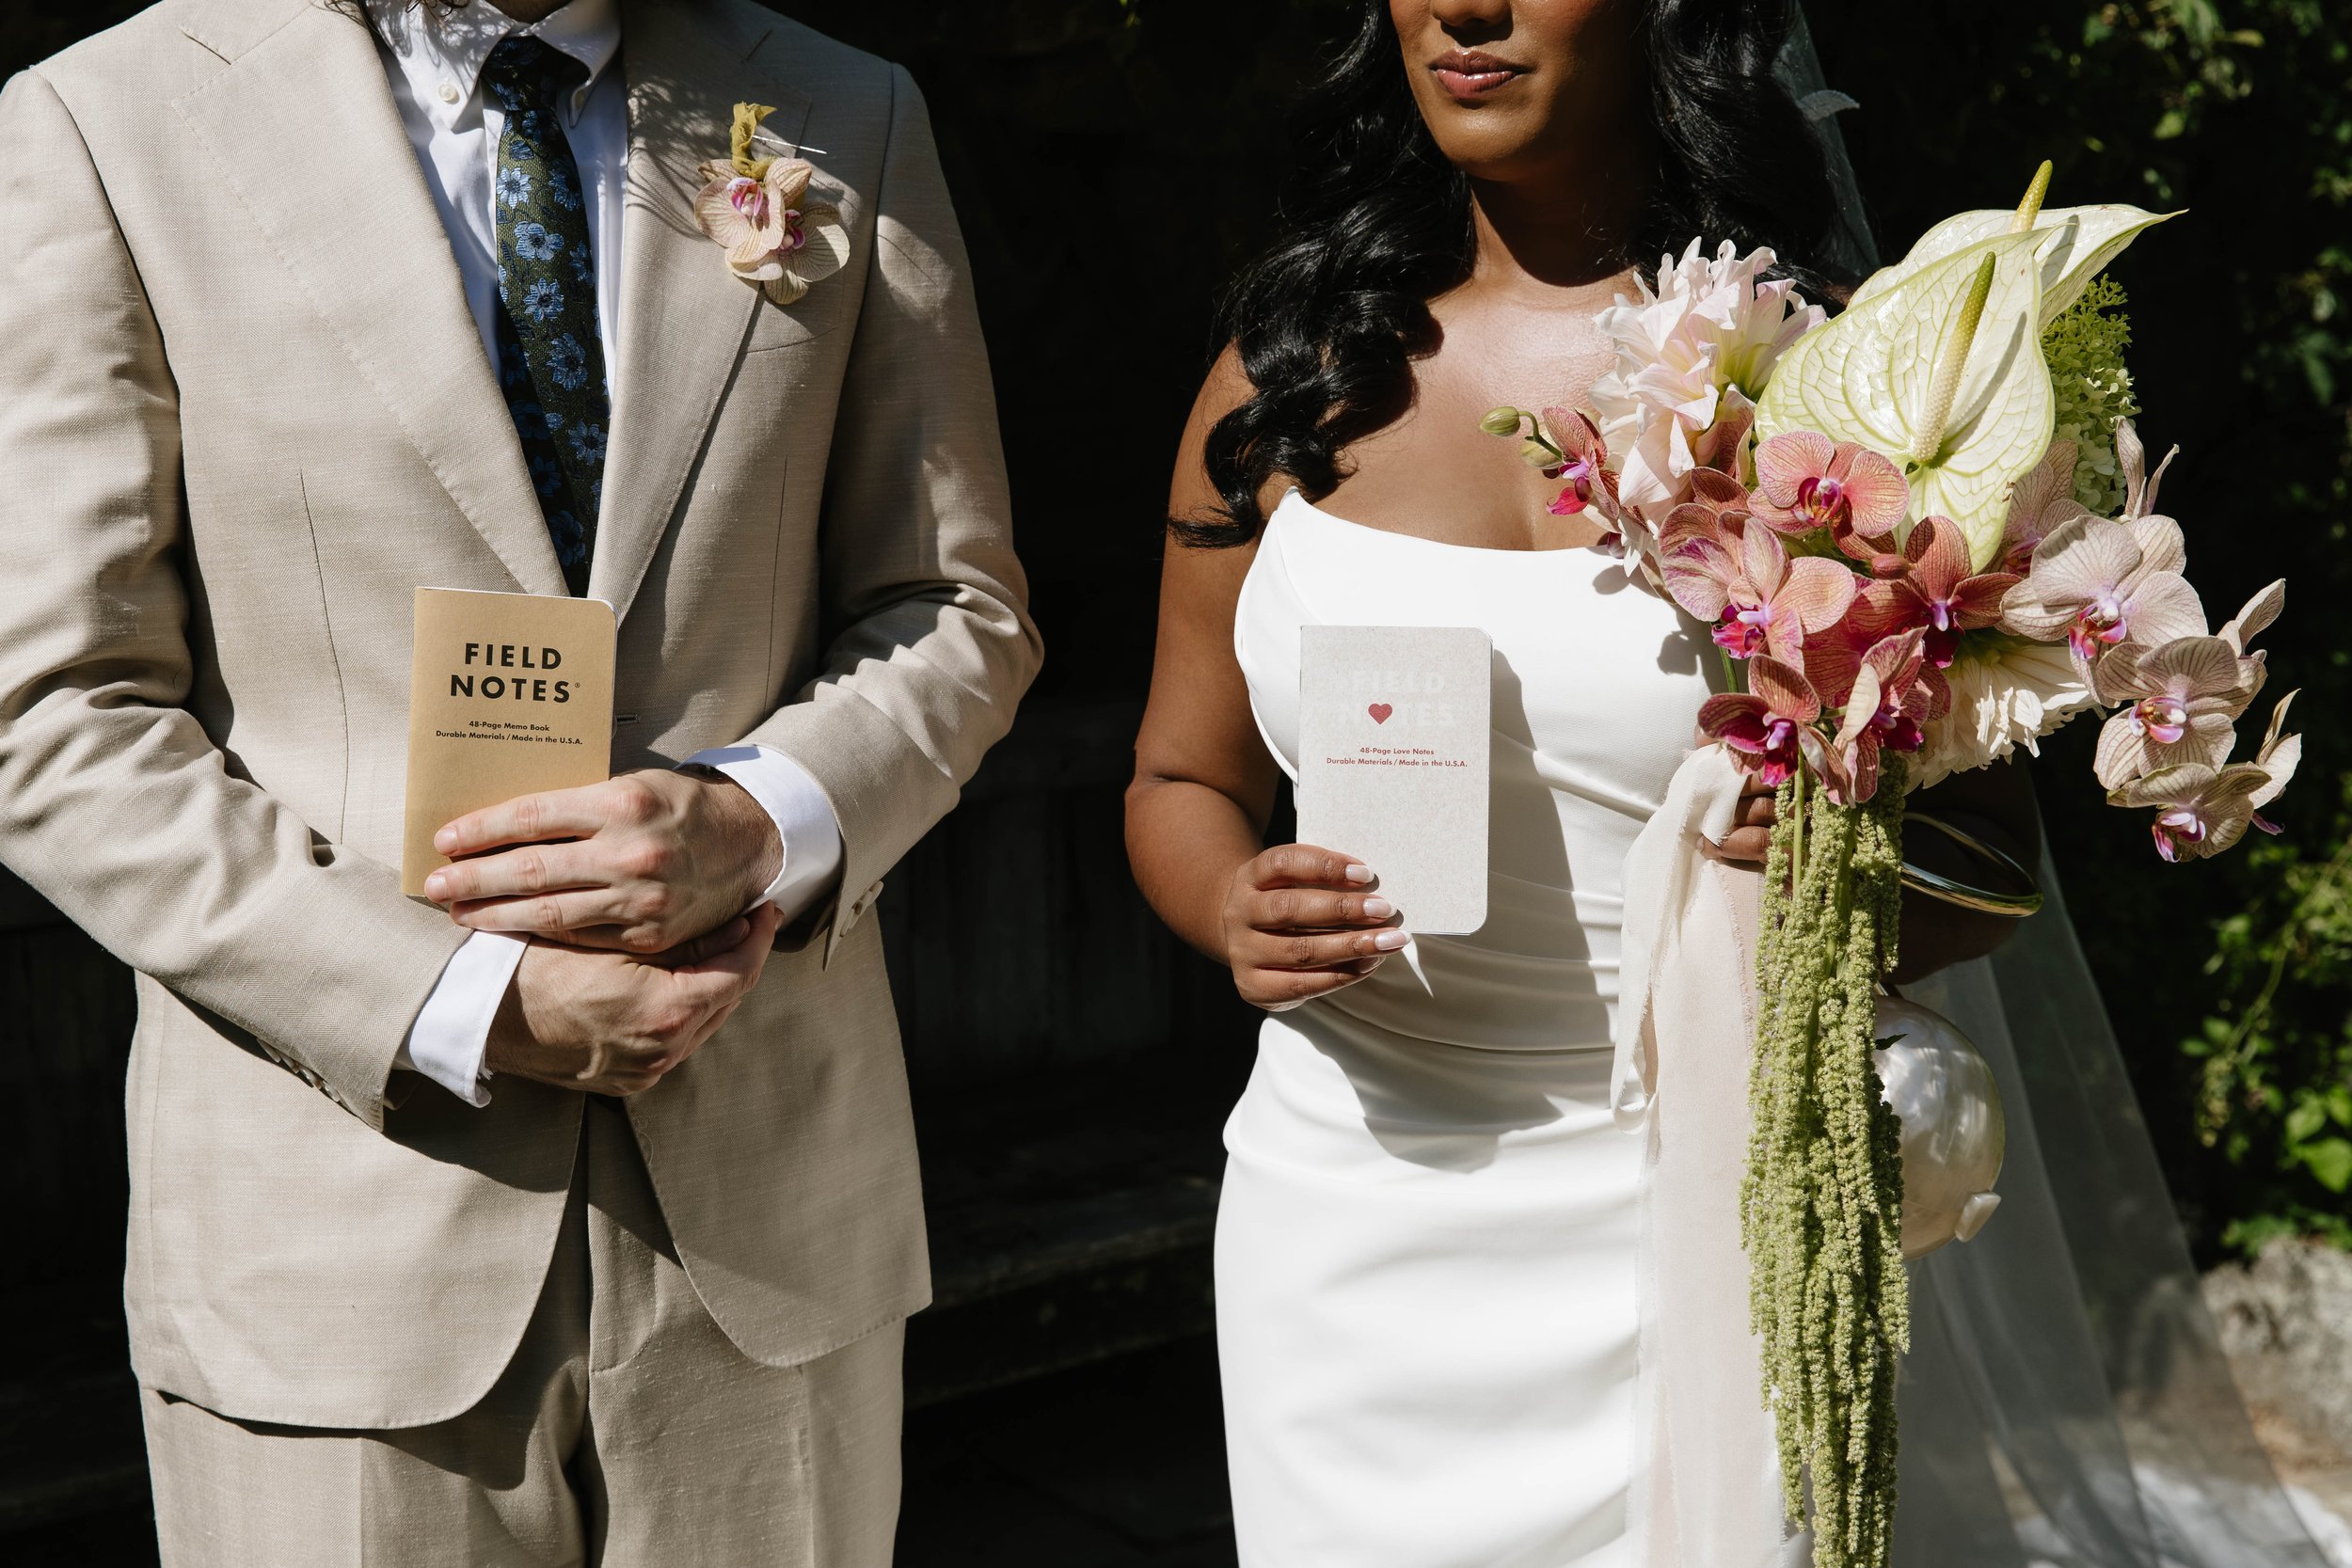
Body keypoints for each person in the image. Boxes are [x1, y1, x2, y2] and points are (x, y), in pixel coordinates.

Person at [0, 0, 1038, 1561]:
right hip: (337, 1238)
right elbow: (54, 708)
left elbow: (958, 609)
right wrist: (456, 998)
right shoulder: (105, 118)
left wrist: (763, 817)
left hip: (766, 1217)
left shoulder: (844, 107)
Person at [1123, 2, 2037, 1562]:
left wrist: (1843, 853)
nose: (1463, 8)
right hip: (1355, 1230)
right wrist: (1226, 901)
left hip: (1713, 1209)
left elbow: (1998, 860)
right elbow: (1175, 773)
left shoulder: (1826, 393)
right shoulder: (1283, 379)